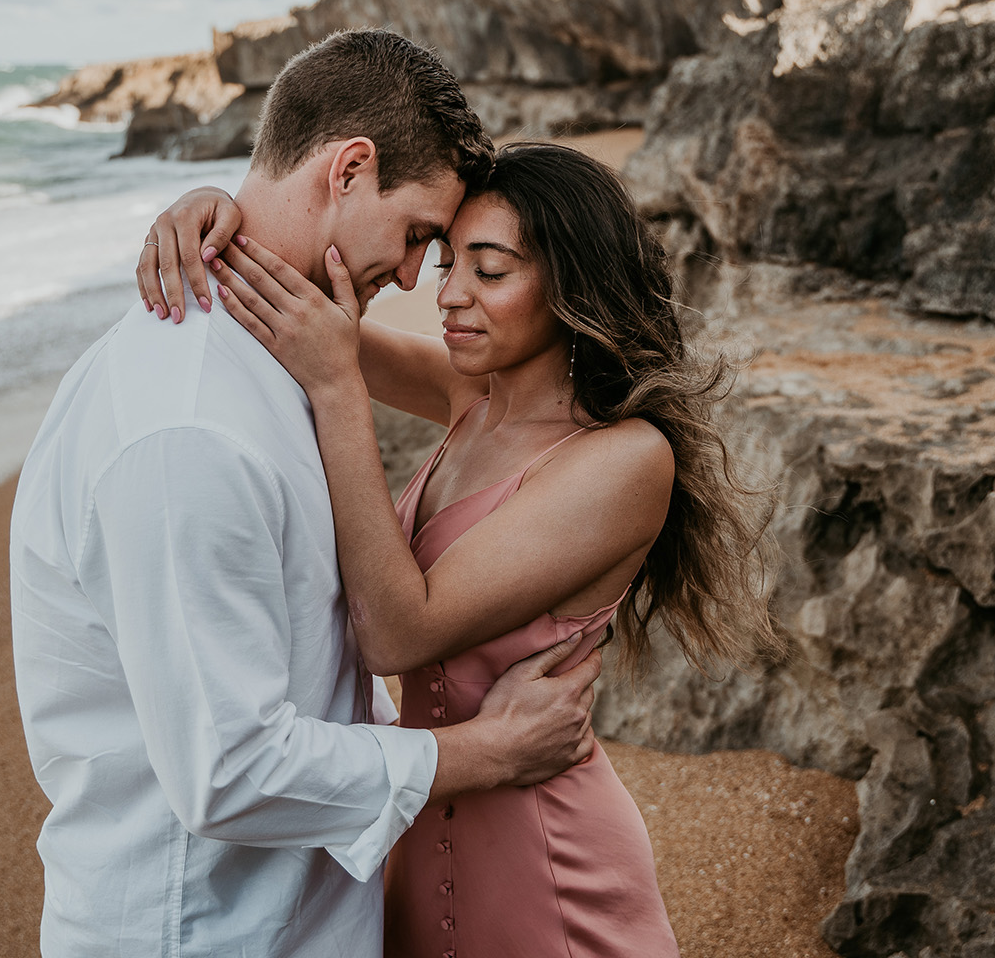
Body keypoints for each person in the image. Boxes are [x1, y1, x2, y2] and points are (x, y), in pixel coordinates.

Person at [11, 30, 606, 958]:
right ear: (350, 169)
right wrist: (484, 754)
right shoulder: (188, 428)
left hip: (294, 912)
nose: (416, 277)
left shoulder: (283, 346)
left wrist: (225, 218)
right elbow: (230, 769)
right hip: (202, 930)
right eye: (417, 237)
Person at [139, 141, 779, 956]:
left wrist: (338, 391)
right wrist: (207, 215)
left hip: (550, 862)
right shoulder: (470, 396)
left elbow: (394, 633)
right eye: (447, 263)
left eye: (490, 270)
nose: (450, 296)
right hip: (418, 823)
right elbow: (288, 310)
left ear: (571, 285)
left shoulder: (623, 459)